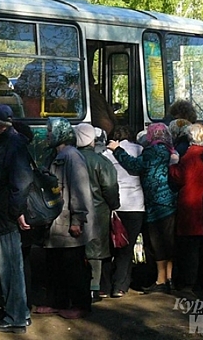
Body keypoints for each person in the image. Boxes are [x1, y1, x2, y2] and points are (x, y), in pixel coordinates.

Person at [106, 123, 177, 294]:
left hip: (155, 204)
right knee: (169, 242)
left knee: (157, 243)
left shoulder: (152, 151)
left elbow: (135, 166)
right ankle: (170, 278)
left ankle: (160, 281)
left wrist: (117, 150)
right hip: (169, 202)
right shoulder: (170, 151)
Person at [34, 117, 94, 319]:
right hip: (55, 223)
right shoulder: (54, 155)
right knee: (55, 265)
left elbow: (80, 190)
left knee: (74, 266)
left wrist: (77, 220)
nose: (48, 135)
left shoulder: (72, 157)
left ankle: (80, 304)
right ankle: (57, 302)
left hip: (68, 222)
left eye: (51, 132)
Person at [0, 104, 32, 333]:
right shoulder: (4, 143)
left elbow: (20, 182)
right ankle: (19, 312)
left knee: (10, 266)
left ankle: (17, 317)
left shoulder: (13, 144)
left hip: (8, 216)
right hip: (2, 214)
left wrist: (18, 212)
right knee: (8, 266)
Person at [168, 124, 203, 292]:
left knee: (189, 248)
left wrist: (172, 165)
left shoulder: (188, 157)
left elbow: (179, 178)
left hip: (189, 207)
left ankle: (188, 281)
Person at [73, 123, 119, 302]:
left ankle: (78, 287)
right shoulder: (101, 161)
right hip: (98, 210)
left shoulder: (70, 157)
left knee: (77, 249)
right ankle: (94, 288)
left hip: (74, 210)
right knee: (96, 251)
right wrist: (114, 204)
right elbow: (110, 186)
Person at [100, 125, 145, 298]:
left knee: (110, 246)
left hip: (115, 206)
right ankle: (120, 286)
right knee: (127, 248)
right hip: (135, 205)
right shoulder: (140, 150)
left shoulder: (106, 154)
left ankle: (104, 286)